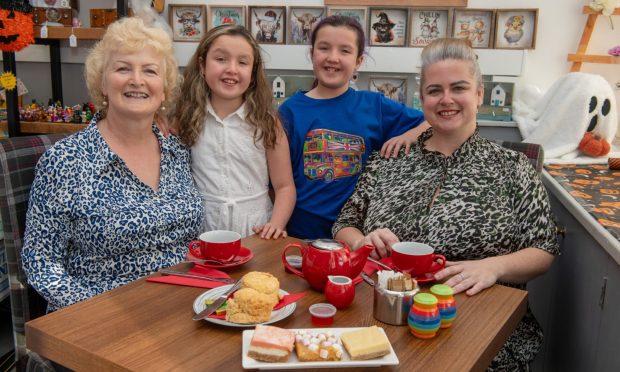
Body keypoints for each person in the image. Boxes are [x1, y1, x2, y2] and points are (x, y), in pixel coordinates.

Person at [333, 38, 559, 370]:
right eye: (435, 90)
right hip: (382, 324)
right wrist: (362, 241)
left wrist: (493, 267)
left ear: (479, 94)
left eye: (459, 88)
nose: (446, 99)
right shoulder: (389, 160)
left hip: (480, 332)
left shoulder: (513, 168)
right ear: (422, 99)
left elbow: (544, 248)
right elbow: (344, 223)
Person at [21, 16, 204, 312]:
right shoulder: (65, 161)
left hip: (182, 307)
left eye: (150, 71)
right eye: (123, 68)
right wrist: (99, 312)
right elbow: (41, 264)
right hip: (101, 317)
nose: (137, 80)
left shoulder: (177, 150)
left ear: (164, 89)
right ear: (102, 82)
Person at [278, 15, 428, 239]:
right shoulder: (289, 110)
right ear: (312, 55)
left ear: (358, 61)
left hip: (357, 238)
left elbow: (431, 121)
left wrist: (409, 135)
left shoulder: (374, 105)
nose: (333, 58)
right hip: (298, 235)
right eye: (324, 48)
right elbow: (279, 182)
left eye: (345, 51)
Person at [173, 25, 295, 240]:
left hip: (255, 230)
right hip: (202, 229)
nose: (231, 69)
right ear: (202, 65)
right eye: (221, 59)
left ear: (253, 71)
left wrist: (275, 224)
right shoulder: (184, 118)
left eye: (242, 62)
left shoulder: (267, 123)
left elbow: (284, 186)